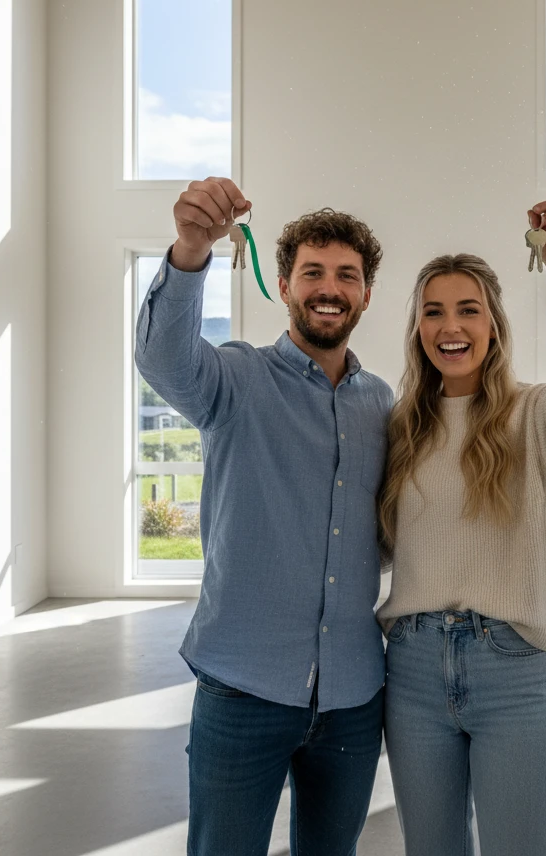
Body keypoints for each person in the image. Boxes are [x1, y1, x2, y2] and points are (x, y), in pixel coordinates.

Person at [135, 175, 393, 856]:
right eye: (312, 272)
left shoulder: (382, 405)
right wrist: (192, 249)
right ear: (283, 286)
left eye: (346, 275)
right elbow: (163, 358)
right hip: (242, 688)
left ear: (366, 293)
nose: (329, 287)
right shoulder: (236, 379)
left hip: (353, 698)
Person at [377, 198, 546, 856]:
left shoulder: (535, 417)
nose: (450, 326)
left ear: (494, 325)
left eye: (468, 309)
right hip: (413, 671)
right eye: (433, 311)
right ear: (418, 328)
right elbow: (376, 546)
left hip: (513, 668)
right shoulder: (400, 428)